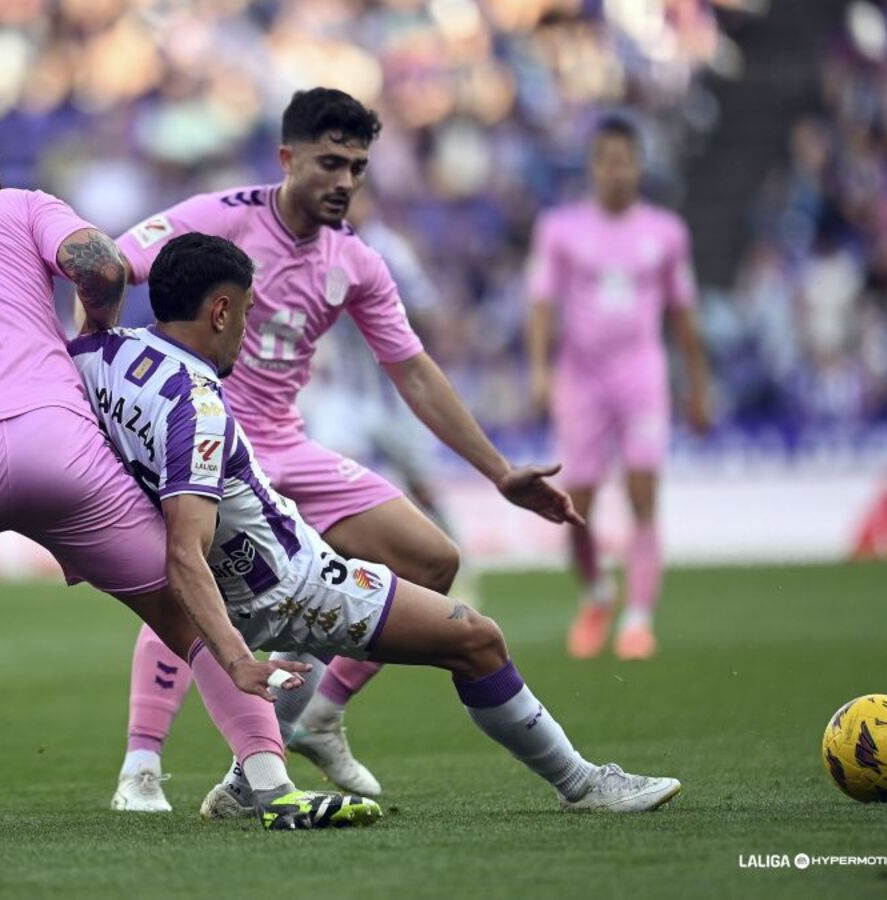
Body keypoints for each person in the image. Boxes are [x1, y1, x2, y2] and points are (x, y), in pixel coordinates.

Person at [0, 121, 373, 834]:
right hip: (61, 448)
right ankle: (270, 783)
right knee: (184, 609)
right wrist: (94, 330)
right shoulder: (17, 204)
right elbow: (101, 263)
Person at [72, 231, 683, 819]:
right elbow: (187, 549)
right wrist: (235, 659)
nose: (250, 332)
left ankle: (242, 779)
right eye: (249, 313)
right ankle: (582, 785)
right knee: (476, 640)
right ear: (222, 310)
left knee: (406, 577)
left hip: (245, 583)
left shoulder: (100, 356)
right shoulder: (197, 402)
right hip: (292, 581)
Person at [106, 88, 585, 812]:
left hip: (288, 445)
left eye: (358, 167)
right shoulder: (219, 215)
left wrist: (498, 472)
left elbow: (414, 372)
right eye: (330, 162)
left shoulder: (357, 262)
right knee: (189, 575)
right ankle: (141, 767)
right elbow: (113, 264)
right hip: (204, 441)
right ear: (286, 158)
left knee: (434, 561)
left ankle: (318, 716)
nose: (344, 182)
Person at [526, 116, 711, 661]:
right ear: (593, 165)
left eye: (625, 159)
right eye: (606, 160)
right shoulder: (560, 229)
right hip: (580, 379)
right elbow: (541, 304)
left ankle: (637, 618)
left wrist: (699, 385)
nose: (616, 170)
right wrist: (539, 368)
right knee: (574, 503)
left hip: (642, 375)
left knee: (642, 494)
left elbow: (683, 315)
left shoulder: (667, 232)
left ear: (638, 164)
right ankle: (598, 593)